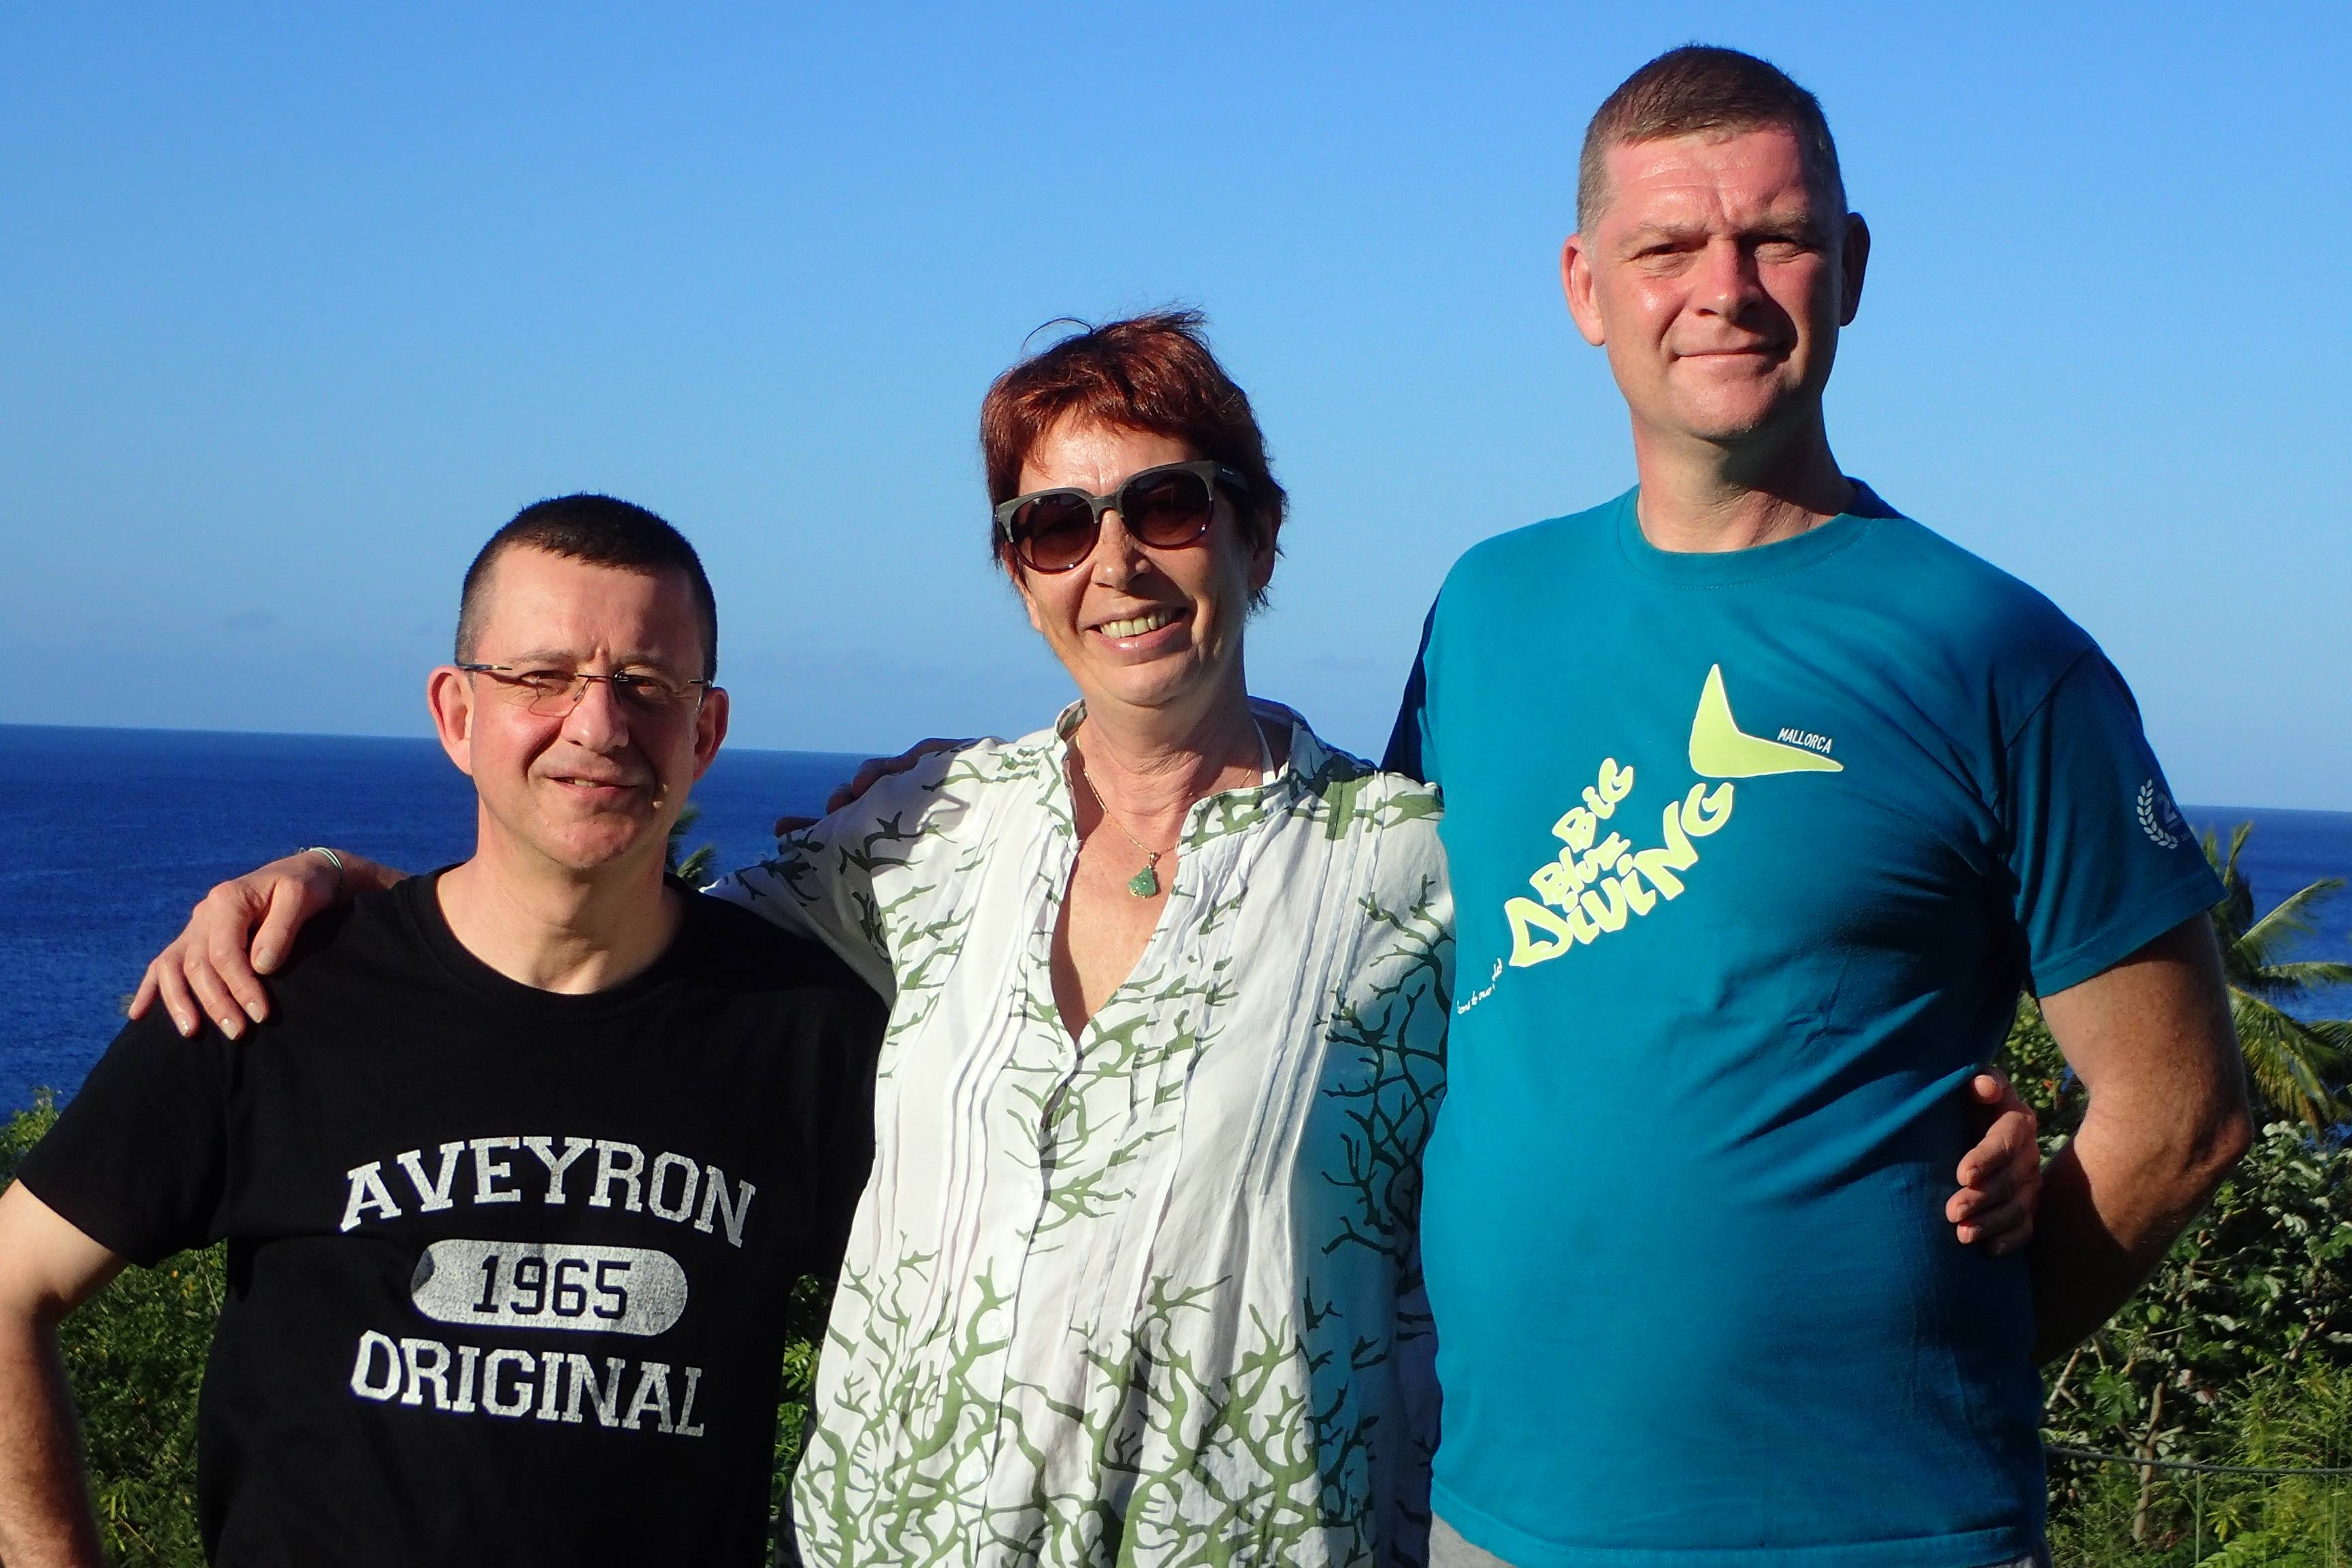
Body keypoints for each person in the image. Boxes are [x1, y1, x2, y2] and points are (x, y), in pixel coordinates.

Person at [127, 316, 2041, 1567]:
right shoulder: (916, 836)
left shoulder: (1418, 865)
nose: (1115, 561)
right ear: (1020, 572)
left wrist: (1935, 1127)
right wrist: (351, 893)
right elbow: (617, 945)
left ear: (1256, 538)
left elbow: (1645, 1041)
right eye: (1056, 526)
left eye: (1165, 507)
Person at [1384, 46, 2251, 1568]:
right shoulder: (1484, 609)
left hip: (1880, 1530)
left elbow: (2182, 1113)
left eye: (1774, 238)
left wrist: (1964, 1340)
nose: (1722, 289)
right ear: (1586, 288)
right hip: (1494, 1520)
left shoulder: (1995, 653)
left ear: (1849, 267)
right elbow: (1382, 956)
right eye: (1667, 248)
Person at [0, 496, 884, 1567]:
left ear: (705, 732)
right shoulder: (272, 994)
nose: (597, 726)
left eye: (648, 686)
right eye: (542, 677)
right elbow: (11, 1286)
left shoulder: (808, 1037)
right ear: (457, 713)